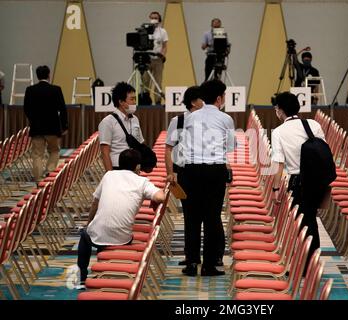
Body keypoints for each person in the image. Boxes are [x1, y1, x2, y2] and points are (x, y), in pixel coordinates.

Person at [76, 149, 165, 288]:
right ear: (137, 166)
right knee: (104, 233)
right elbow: (161, 197)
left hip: (100, 233)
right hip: (123, 238)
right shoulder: (142, 181)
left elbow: (95, 203)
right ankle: (103, 269)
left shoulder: (109, 175)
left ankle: (82, 277)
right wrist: (154, 200)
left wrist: (89, 224)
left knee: (86, 234)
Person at [178, 79, 235, 276]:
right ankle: (209, 265)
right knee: (212, 217)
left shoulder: (191, 117)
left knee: (191, 218)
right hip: (214, 171)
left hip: (190, 170)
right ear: (219, 98)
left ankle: (192, 263)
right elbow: (230, 147)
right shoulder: (226, 119)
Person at [271, 92, 326, 271]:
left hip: (299, 182)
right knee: (309, 220)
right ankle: (310, 261)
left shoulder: (279, 131)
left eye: (276, 108)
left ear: (280, 111)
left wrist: (276, 188)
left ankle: (308, 266)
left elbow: (278, 163)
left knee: (305, 223)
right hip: (319, 180)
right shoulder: (313, 124)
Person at [165, 86, 204, 266]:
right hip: (184, 172)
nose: (204, 102)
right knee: (190, 216)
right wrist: (170, 172)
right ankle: (191, 257)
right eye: (201, 99)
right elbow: (168, 148)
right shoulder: (178, 121)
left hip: (204, 170)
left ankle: (213, 256)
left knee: (207, 216)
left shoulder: (207, 120)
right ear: (194, 102)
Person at [23, 65, 68, 182]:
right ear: (49, 75)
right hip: (53, 128)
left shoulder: (30, 90)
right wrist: (64, 126)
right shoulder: (56, 89)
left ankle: (38, 178)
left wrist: (33, 120)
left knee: (37, 154)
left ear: (37, 76)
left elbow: (26, 109)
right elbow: (62, 109)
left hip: (36, 128)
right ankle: (49, 172)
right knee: (54, 150)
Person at [98, 82, 144, 171]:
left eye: (135, 99)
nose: (134, 102)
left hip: (134, 167)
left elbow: (140, 143)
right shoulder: (107, 122)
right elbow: (104, 152)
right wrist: (110, 175)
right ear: (121, 102)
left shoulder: (135, 119)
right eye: (132, 99)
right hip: (117, 167)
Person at [142, 11, 168, 105]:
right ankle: (145, 100)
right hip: (147, 59)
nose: (154, 19)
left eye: (155, 18)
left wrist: (162, 55)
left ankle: (157, 101)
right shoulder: (145, 30)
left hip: (158, 59)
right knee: (145, 81)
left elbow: (165, 46)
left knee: (158, 81)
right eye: (152, 17)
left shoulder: (163, 31)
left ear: (159, 19)